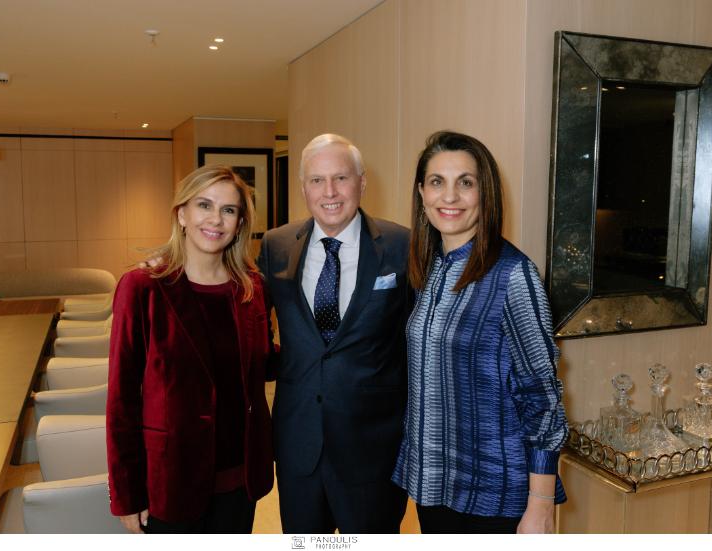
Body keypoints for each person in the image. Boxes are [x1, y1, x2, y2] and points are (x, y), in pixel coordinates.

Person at [392, 131, 568, 534]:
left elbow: (542, 398)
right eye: (437, 182)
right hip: (434, 483)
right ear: (421, 193)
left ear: (485, 193)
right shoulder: (429, 267)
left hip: (493, 493)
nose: (449, 196)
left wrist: (541, 506)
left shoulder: (514, 275)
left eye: (465, 182)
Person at [106, 165, 274, 534]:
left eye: (228, 210)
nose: (216, 219)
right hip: (171, 482)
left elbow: (263, 361)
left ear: (239, 224)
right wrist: (126, 494)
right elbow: (122, 399)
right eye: (204, 205)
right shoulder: (143, 288)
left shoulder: (251, 288)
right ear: (182, 214)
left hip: (239, 480)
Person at [258, 133, 410, 533]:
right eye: (317, 180)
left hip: (374, 448)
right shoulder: (276, 245)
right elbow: (245, 316)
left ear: (361, 182)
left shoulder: (403, 245)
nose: (329, 192)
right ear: (303, 187)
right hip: (299, 444)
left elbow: (420, 341)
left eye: (341, 178)